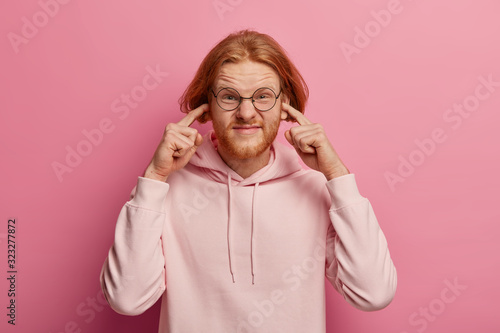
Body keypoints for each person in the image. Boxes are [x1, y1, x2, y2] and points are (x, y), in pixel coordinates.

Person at [100, 29, 397, 333]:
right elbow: (127, 299)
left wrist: (337, 175)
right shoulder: (163, 190)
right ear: (207, 106)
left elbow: (373, 294)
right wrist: (154, 177)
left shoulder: (317, 189)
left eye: (263, 97)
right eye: (229, 97)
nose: (246, 112)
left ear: (285, 108)